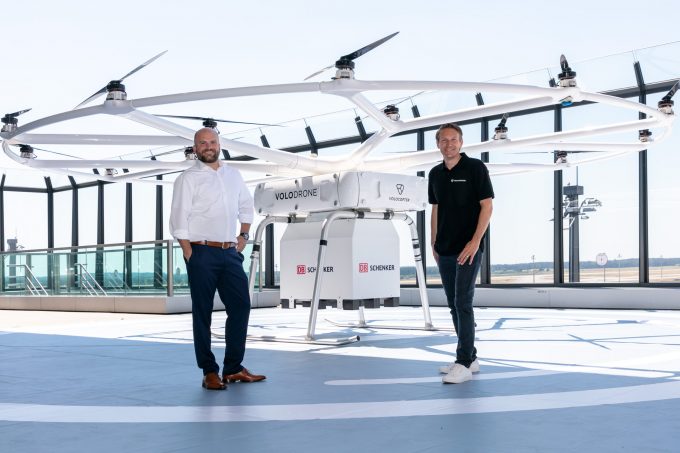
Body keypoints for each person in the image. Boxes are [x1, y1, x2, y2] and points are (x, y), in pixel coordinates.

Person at [170, 127, 265, 390]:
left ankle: (233, 368)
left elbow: (246, 206)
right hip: (201, 252)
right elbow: (179, 219)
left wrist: (244, 236)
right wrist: (189, 253)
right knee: (203, 313)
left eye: (212, 142)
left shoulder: (233, 175)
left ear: (219, 144)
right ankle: (209, 371)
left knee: (241, 307)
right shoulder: (188, 178)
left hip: (230, 252)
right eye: (203, 143)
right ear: (196, 147)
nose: (208, 146)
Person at [428, 123, 494, 384]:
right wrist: (433, 242)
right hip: (444, 249)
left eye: (453, 139)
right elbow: (435, 209)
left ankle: (463, 361)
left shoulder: (476, 168)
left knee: (463, 302)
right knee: (453, 304)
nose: (449, 144)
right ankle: (471, 357)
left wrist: (475, 242)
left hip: (468, 247)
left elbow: (486, 207)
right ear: (438, 144)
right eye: (444, 140)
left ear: (461, 142)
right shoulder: (435, 174)